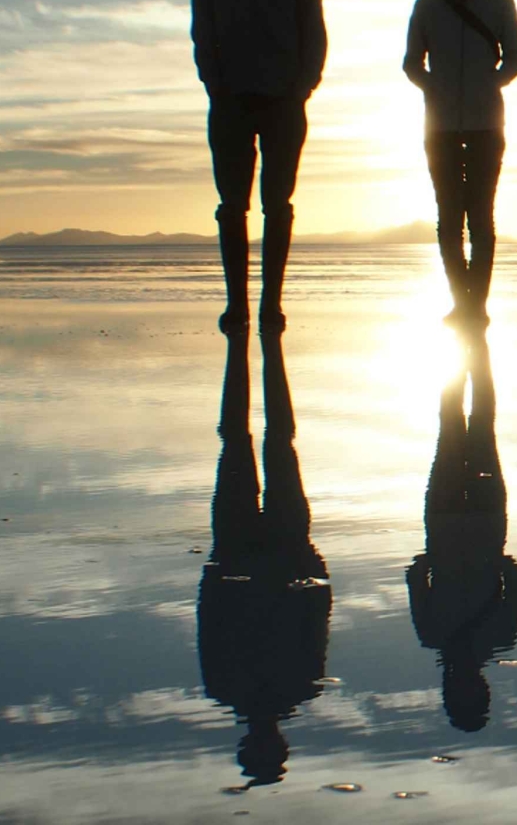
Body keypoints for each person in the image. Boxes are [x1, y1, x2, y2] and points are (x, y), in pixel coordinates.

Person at [192, 0, 327, 336]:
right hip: (229, 98)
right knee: (232, 205)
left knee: (278, 204)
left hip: (284, 98)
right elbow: (202, 25)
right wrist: (214, 81)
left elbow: (313, 23)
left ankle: (271, 304)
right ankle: (238, 306)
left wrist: (303, 84)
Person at [198, 331, 331, 788]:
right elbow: (316, 623)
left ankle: (249, 348)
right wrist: (314, 568)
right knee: (270, 444)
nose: (263, 739)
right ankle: (260, 348)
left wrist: (214, 572)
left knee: (248, 443)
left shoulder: (231, 688)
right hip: (279, 552)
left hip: (245, 553)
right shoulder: (294, 687)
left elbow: (210, 624)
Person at [404, 0, 517, 325]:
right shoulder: (426, 5)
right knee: (448, 217)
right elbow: (411, 63)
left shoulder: (498, 0)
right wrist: (432, 85)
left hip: (486, 125)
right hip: (438, 126)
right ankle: (461, 300)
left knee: (480, 216)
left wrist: (488, 83)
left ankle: (479, 304)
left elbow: (514, 58)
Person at [407, 332, 517, 733]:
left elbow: (516, 580)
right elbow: (415, 578)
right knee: (463, 427)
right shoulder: (481, 636)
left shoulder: (493, 636)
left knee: (470, 426)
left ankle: (470, 346)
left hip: (470, 524)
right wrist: (491, 559)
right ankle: (471, 345)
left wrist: (491, 559)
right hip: (462, 524)